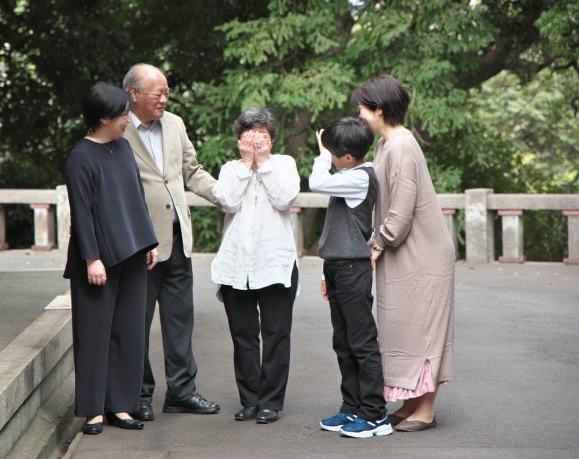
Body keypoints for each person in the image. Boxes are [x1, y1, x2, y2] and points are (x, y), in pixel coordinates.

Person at [353, 74, 455, 432]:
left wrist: (378, 243)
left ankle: (425, 409)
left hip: (423, 253)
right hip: (404, 251)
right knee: (403, 328)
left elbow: (402, 208)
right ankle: (411, 401)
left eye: (363, 109)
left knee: (423, 327)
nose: (360, 115)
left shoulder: (403, 146)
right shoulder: (384, 145)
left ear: (380, 110)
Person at [122, 64, 220, 420]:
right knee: (137, 323)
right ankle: (139, 394)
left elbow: (192, 171)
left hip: (178, 240)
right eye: (156, 93)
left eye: (166, 92)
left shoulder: (174, 123)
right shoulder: (118, 129)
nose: (164, 99)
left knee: (180, 321)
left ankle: (182, 391)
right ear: (133, 94)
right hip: (139, 245)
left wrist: (226, 195)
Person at [63, 82, 159, 435]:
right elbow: (82, 214)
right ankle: (93, 410)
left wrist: (149, 241)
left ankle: (122, 405)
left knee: (129, 333)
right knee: (93, 334)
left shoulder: (123, 149)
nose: (128, 121)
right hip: (99, 260)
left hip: (133, 254)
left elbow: (136, 198)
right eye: (122, 115)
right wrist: (92, 259)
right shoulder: (80, 157)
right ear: (103, 118)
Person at [211, 108, 300, 424]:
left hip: (275, 262)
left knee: (276, 334)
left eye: (263, 135)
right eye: (250, 135)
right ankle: (249, 399)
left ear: (272, 139)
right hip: (237, 263)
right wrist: (247, 165)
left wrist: (262, 164)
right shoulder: (229, 169)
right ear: (239, 139)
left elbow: (285, 198)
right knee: (243, 335)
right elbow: (228, 202)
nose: (256, 141)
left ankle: (271, 401)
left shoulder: (284, 165)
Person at [309, 116, 393, 439]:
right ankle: (352, 407)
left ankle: (375, 414)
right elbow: (334, 229)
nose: (327, 155)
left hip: (351, 269)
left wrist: (320, 154)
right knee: (343, 341)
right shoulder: (348, 174)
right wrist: (323, 272)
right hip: (337, 266)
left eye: (331, 151)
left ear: (345, 157)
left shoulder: (360, 177)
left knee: (361, 341)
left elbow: (317, 182)